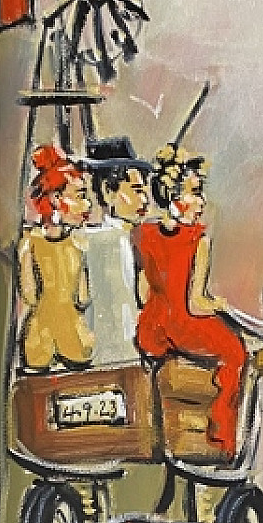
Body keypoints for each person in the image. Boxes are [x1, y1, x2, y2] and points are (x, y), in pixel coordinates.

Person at [133, 145, 247, 454]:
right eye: (195, 193)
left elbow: (143, 292)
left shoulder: (143, 235)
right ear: (174, 198)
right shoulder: (198, 239)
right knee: (237, 352)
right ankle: (222, 433)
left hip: (152, 327)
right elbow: (196, 304)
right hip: (183, 326)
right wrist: (219, 305)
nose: (202, 201)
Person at [17, 144, 94, 370]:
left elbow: (30, 295)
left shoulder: (30, 242)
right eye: (80, 196)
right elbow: (83, 297)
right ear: (55, 198)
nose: (87, 205)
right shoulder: (77, 245)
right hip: (75, 336)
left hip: (39, 338)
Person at [83, 136, 151, 366]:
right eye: (136, 190)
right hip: (115, 355)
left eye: (144, 191)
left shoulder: (135, 238)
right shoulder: (102, 241)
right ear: (107, 191)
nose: (145, 200)